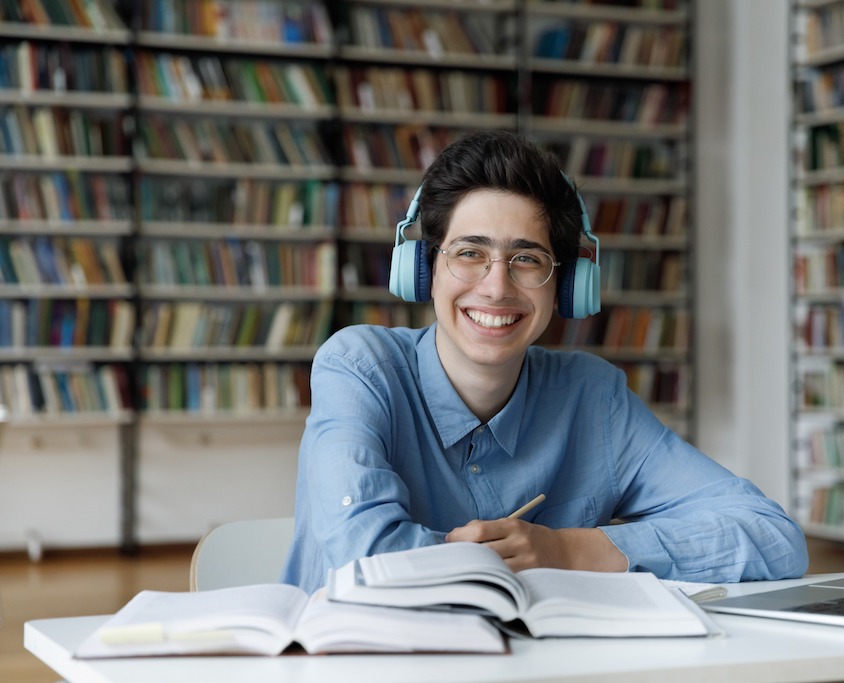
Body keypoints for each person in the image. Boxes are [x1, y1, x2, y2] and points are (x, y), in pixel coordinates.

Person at [281, 130, 808, 593]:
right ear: (423, 271)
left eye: (527, 259)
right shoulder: (359, 367)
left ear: (567, 287)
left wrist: (569, 552)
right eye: (469, 253)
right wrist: (490, 562)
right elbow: (363, 558)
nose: (496, 287)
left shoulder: (592, 398)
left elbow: (773, 537)